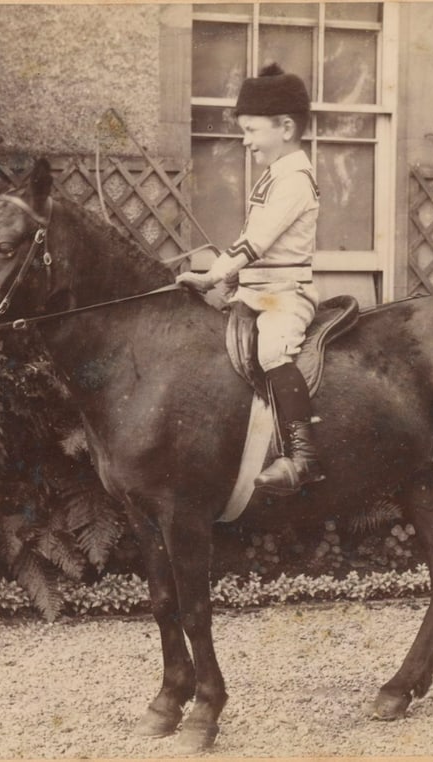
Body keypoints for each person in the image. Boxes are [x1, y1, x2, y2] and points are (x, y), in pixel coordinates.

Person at [176, 63, 323, 495]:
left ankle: (302, 456)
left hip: (284, 295)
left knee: (274, 351)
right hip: (256, 291)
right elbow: (247, 240)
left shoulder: (295, 179)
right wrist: (227, 282)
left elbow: (256, 242)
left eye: (252, 130)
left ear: (286, 127)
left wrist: (213, 276)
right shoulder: (274, 174)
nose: (246, 141)